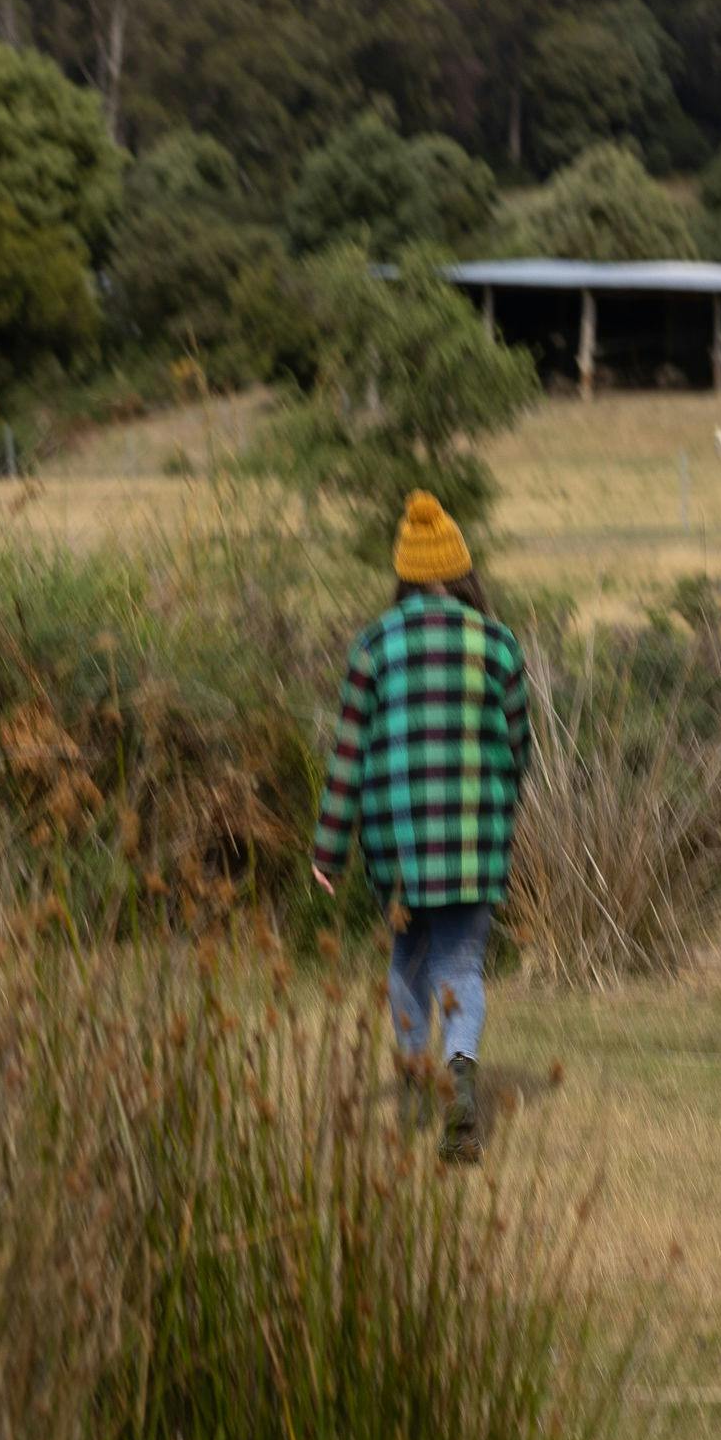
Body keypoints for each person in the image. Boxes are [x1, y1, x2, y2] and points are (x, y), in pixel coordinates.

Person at [308, 490, 533, 1164]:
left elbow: (349, 754)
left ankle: (415, 1077)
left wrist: (328, 849)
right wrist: (497, 814)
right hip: (473, 844)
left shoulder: (374, 645)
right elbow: (520, 749)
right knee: (461, 962)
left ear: (403, 573)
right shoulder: (497, 643)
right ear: (462, 571)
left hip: (398, 847)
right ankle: (459, 1068)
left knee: (407, 964)